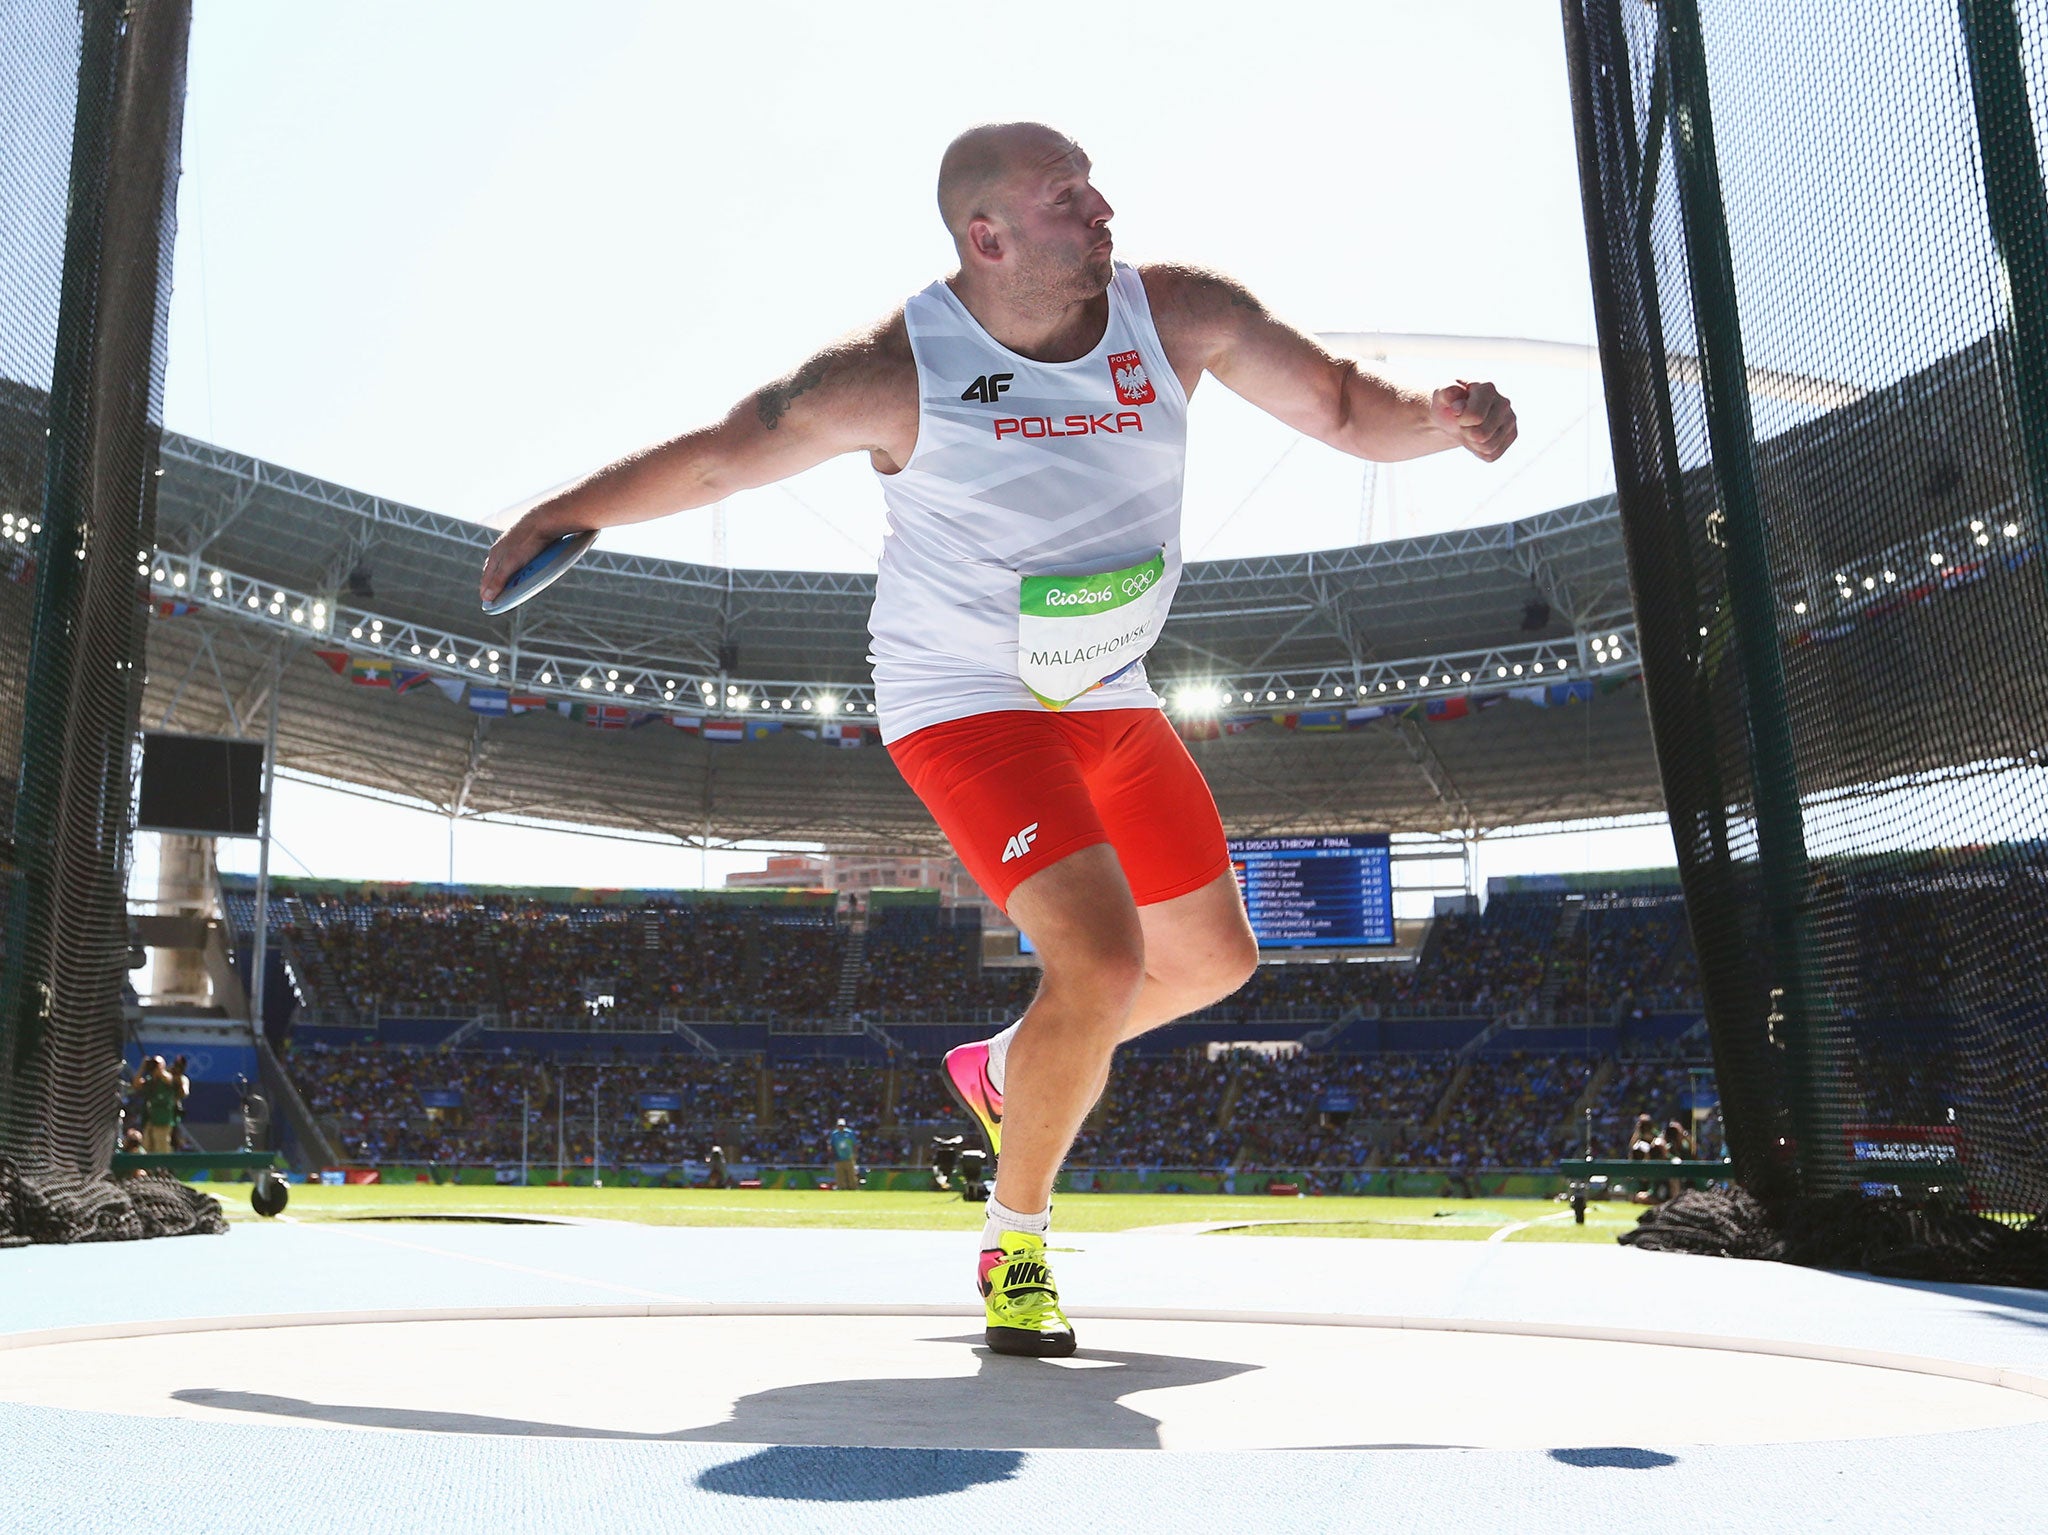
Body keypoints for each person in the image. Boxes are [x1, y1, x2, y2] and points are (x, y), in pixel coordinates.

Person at [482, 122, 1517, 1357]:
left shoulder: (1177, 314)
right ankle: (1014, 1242)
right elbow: (718, 458)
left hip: (1109, 693)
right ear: (987, 236)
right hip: (965, 701)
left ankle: (1004, 1065)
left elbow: (1349, 407)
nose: (1101, 208)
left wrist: (1439, 423)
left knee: (1213, 964)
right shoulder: (889, 372)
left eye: (1093, 185)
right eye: (1066, 195)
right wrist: (566, 509)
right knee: (1098, 957)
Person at [131, 1056, 180, 1155]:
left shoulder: (167, 1078)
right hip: (150, 1120)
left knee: (161, 1149)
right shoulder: (150, 1081)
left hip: (163, 1121)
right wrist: (143, 1067)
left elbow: (169, 1079)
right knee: (146, 1148)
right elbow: (136, 1085)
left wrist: (159, 1068)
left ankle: (163, 1169)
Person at [828, 1117, 860, 1191]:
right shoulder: (834, 1134)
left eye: (842, 1125)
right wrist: (832, 1153)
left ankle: (853, 1188)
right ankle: (841, 1187)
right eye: (839, 1126)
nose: (841, 1127)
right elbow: (831, 1145)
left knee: (851, 1173)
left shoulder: (849, 1133)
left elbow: (855, 1144)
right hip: (838, 1157)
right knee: (840, 1174)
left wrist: (855, 1153)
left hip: (849, 1156)